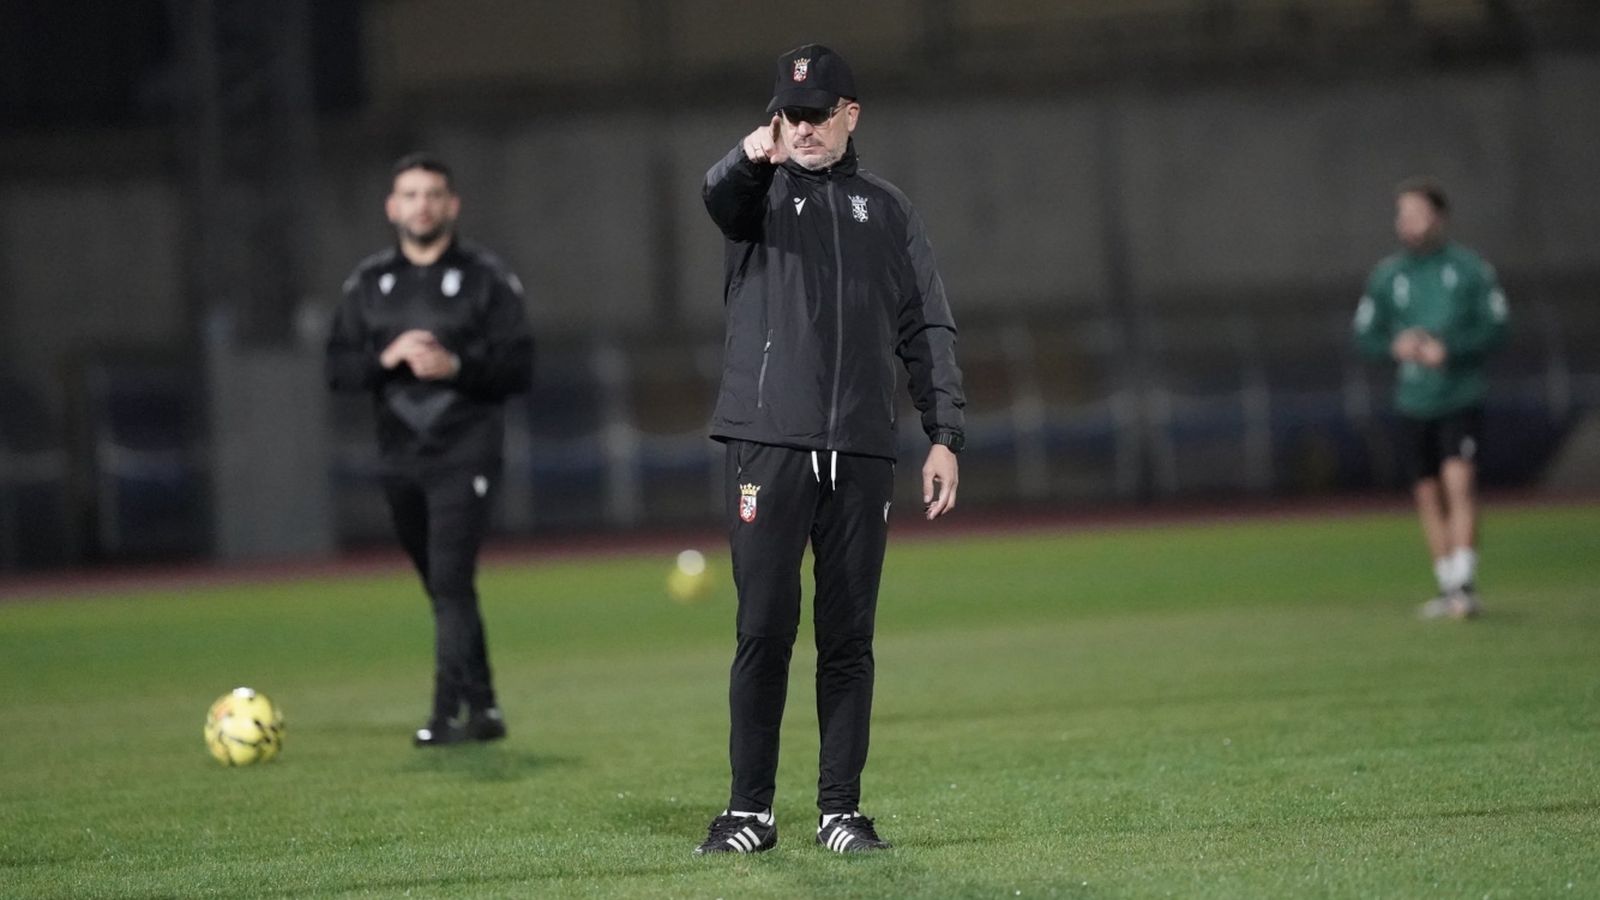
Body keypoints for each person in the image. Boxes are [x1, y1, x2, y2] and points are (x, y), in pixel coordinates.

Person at [693, 44, 966, 855]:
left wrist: (944, 434)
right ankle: (749, 812)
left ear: (850, 113)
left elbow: (927, 326)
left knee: (849, 639)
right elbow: (716, 196)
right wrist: (749, 154)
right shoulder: (758, 195)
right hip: (767, 443)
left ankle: (840, 813)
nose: (801, 129)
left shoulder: (887, 210)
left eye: (816, 114)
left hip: (860, 448)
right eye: (788, 114)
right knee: (763, 629)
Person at [326, 153, 534, 743]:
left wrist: (456, 365)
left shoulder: (486, 278)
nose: (422, 204)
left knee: (448, 579)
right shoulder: (369, 284)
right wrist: (384, 358)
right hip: (399, 457)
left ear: (452, 205)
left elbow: (520, 368)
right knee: (446, 586)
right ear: (393, 207)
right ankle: (486, 707)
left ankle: (445, 715)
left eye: (433, 194)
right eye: (411, 194)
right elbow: (336, 368)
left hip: (466, 452)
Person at [1353, 178, 1509, 620]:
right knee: (1426, 492)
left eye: (1416, 214)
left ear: (1437, 218)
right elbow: (1364, 334)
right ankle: (1446, 586)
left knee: (1459, 482)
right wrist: (1395, 345)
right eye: (1402, 215)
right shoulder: (1388, 276)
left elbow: (1498, 328)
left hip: (1459, 393)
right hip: (1413, 398)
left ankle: (1465, 582)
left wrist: (1451, 349)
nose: (1407, 223)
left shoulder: (1469, 269)